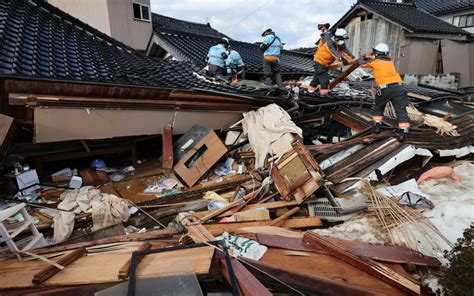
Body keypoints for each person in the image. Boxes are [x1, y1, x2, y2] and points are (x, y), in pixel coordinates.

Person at [359, 43, 410, 141]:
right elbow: (381, 58)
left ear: (376, 53)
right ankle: (403, 133)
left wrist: (363, 56)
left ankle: (378, 127)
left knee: (379, 107)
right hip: (399, 87)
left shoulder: (375, 61)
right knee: (401, 110)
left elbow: (361, 63)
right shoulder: (390, 61)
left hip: (385, 88)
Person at [308, 28, 354, 95]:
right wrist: (341, 58)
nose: (343, 41)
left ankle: (310, 90)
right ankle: (324, 93)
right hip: (319, 61)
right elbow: (333, 51)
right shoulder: (329, 41)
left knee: (317, 78)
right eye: (342, 39)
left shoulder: (340, 43)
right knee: (324, 78)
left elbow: (346, 52)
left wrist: (353, 59)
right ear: (337, 37)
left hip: (326, 64)